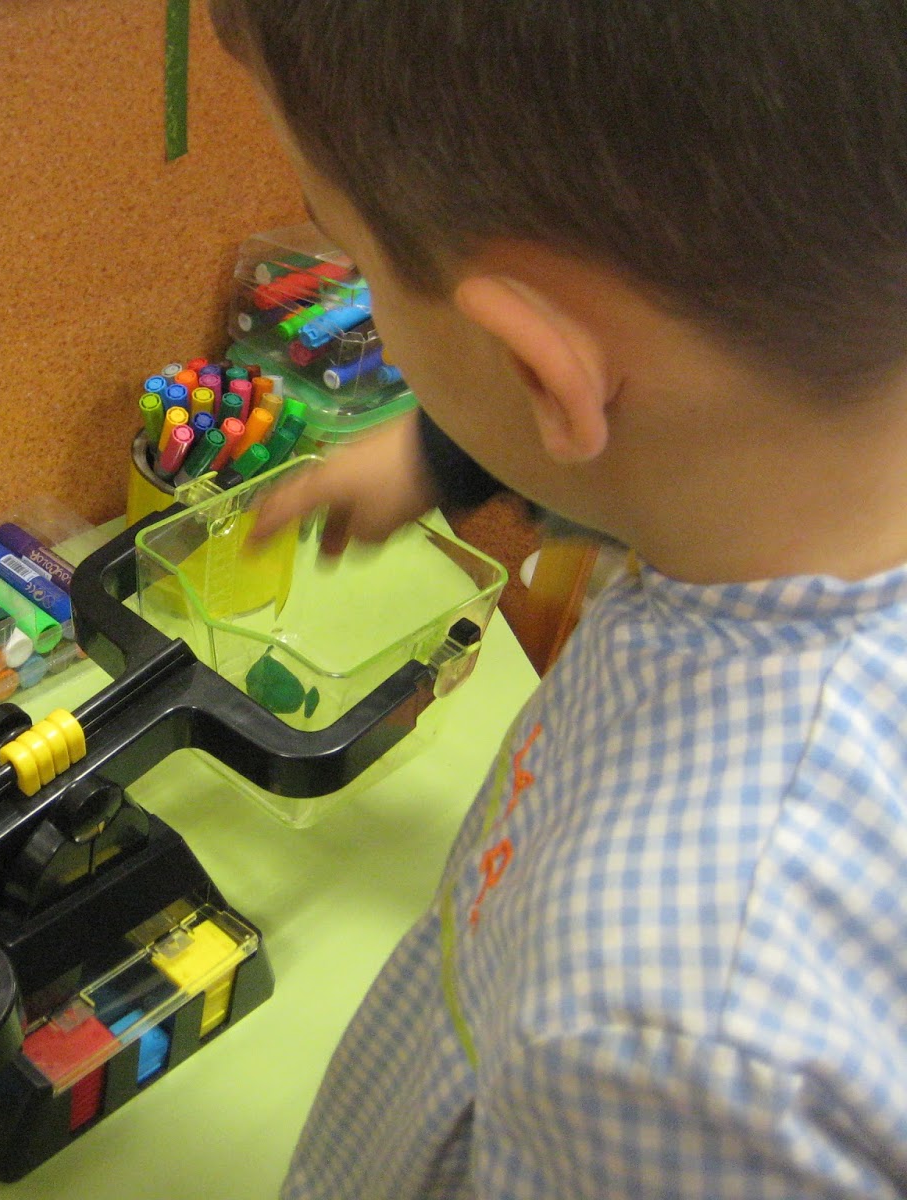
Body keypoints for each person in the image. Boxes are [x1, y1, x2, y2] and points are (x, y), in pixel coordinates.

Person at [220, 3, 907, 1196]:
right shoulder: (798, 473)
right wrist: (445, 451)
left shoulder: (658, 1045)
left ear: (540, 367)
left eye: (360, 266)